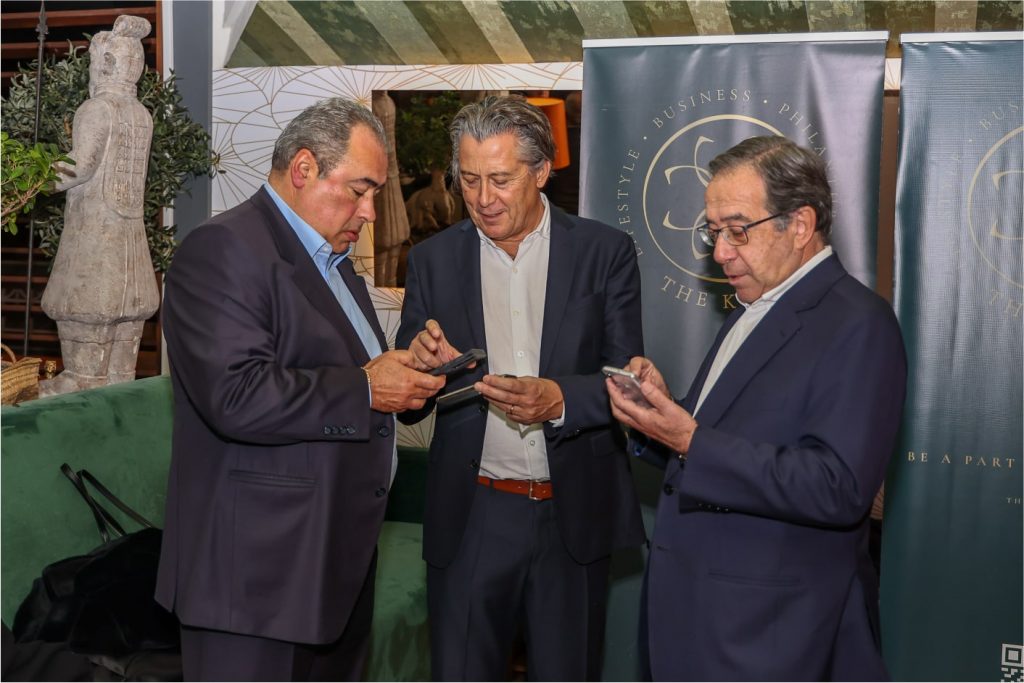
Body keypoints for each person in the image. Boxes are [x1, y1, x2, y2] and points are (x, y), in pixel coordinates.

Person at [155, 98, 445, 682]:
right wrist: (367, 388)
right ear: (304, 168)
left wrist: (409, 371)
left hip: (333, 566)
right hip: (255, 578)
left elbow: (347, 374)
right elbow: (235, 396)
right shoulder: (223, 248)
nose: (370, 212)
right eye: (360, 190)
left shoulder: (333, 261)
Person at [607, 135, 907, 681]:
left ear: (800, 224)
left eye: (737, 230)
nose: (720, 252)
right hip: (702, 618)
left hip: (772, 635)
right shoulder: (756, 307)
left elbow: (837, 486)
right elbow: (724, 435)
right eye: (713, 232)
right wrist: (659, 415)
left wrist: (689, 439)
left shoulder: (858, 323)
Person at [396, 95, 645, 681]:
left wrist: (561, 399)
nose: (483, 198)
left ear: (541, 172)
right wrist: (422, 367)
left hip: (571, 514)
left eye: (501, 179)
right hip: (471, 514)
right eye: (469, 179)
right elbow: (409, 397)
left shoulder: (604, 252)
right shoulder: (432, 260)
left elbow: (627, 383)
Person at [40, 15, 158, 395]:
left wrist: (32, 178)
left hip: (94, 244)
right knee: (121, 377)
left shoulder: (97, 109)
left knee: (85, 376)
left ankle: (82, 389)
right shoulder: (141, 114)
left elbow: (79, 167)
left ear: (106, 63)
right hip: (129, 246)